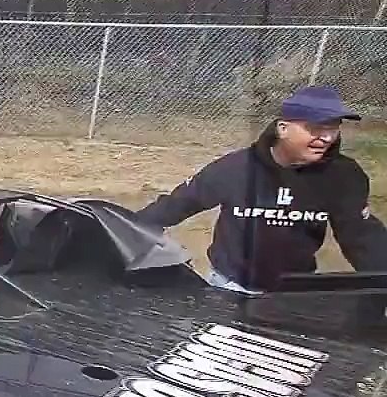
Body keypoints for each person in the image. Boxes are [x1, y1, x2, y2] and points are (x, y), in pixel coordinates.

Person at [135, 85, 387, 294]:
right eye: (315, 128)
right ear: (283, 128)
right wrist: (129, 231)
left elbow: (361, 236)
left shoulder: (343, 175)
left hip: (292, 293)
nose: (327, 138)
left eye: (333, 128)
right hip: (229, 285)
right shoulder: (237, 168)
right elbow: (179, 203)